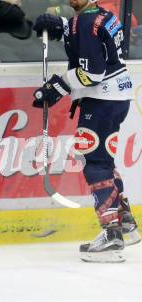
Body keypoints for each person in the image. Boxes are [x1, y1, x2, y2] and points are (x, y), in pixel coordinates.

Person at [32, 0, 140, 263]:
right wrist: (64, 27)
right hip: (117, 98)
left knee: (94, 164)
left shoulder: (86, 21)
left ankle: (111, 233)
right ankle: (124, 220)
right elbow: (95, 38)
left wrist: (56, 88)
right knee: (104, 160)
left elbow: (92, 73)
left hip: (101, 101)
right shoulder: (104, 15)